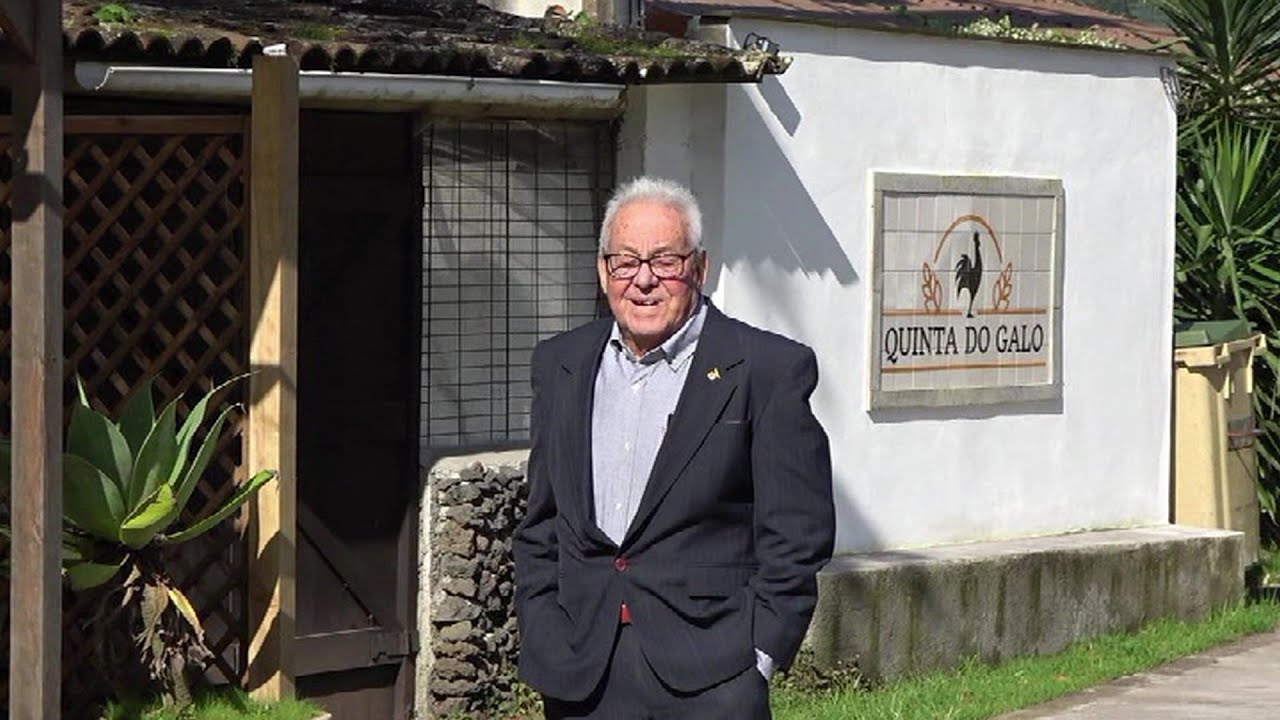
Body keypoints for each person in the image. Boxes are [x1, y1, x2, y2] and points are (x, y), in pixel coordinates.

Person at [513, 176, 835, 719]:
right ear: (602, 271)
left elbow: (797, 533)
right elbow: (542, 521)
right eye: (625, 261)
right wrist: (542, 624)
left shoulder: (764, 369)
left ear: (699, 268)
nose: (643, 280)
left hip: (713, 672)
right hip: (581, 670)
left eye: (664, 260)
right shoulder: (560, 367)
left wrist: (760, 655)